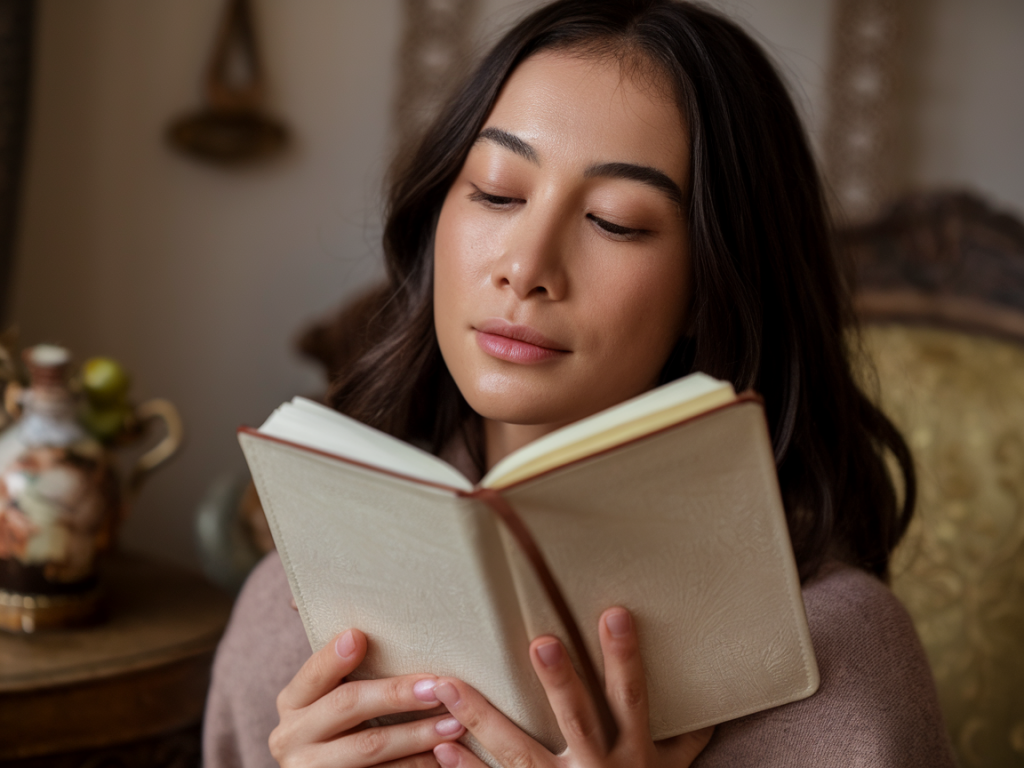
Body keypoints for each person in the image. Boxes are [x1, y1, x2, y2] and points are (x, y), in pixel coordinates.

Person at [203, 1, 956, 766]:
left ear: (711, 287)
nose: (526, 267)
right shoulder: (288, 623)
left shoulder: (840, 672)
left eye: (615, 221)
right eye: (497, 191)